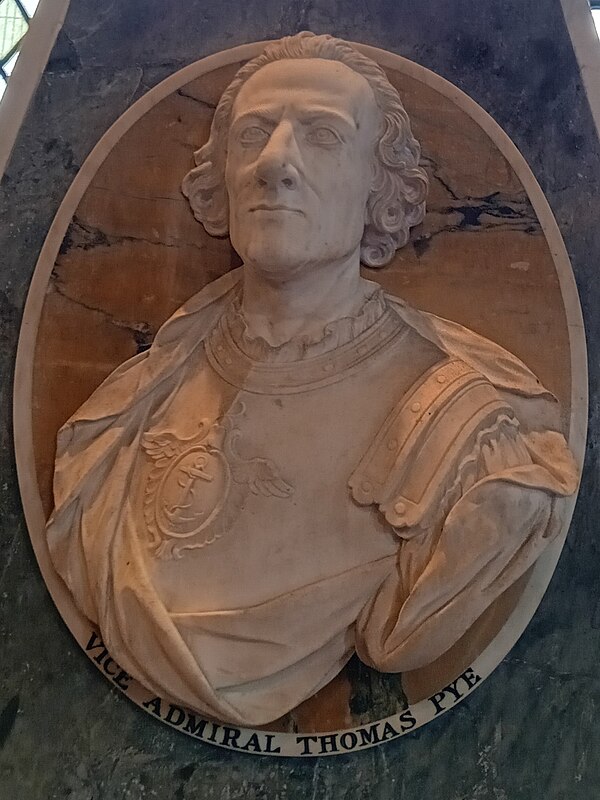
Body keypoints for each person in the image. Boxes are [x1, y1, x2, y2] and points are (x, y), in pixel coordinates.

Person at [46, 32, 578, 727]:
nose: (274, 164)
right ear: (223, 175)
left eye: (322, 137)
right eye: (252, 136)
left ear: (379, 189)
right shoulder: (125, 406)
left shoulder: (469, 433)